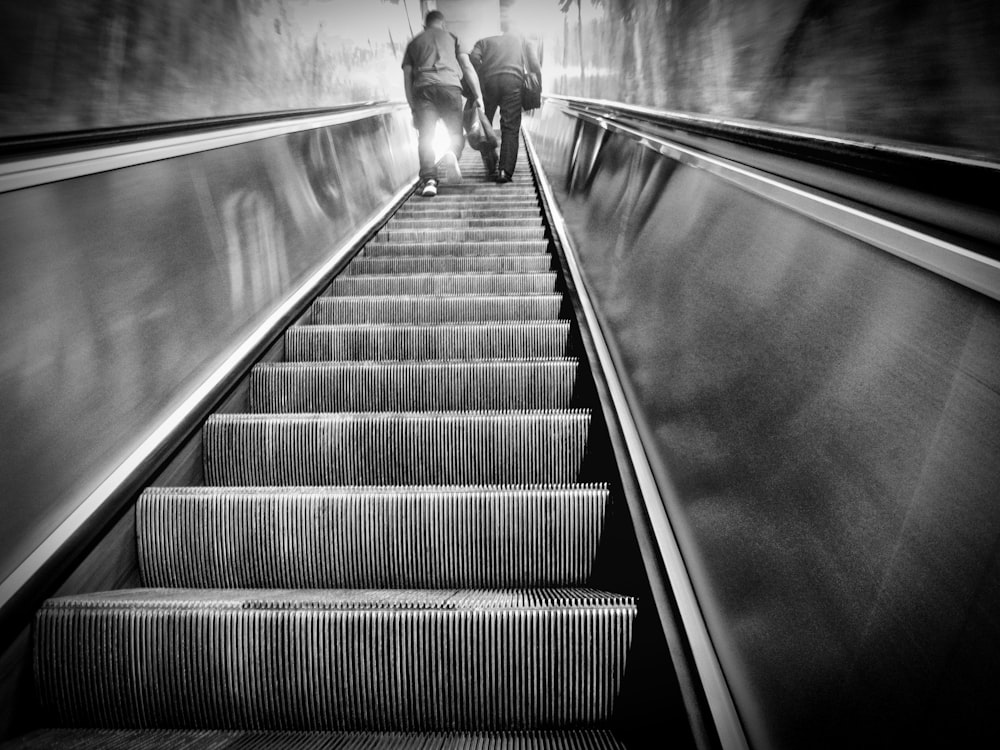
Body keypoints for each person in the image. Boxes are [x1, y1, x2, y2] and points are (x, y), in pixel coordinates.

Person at [401, 10, 484, 197]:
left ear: (425, 26)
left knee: (426, 136)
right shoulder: (452, 38)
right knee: (455, 132)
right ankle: (453, 153)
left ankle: (430, 180)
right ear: (443, 24)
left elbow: (407, 77)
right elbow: (467, 66)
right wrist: (478, 95)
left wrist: (412, 106)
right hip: (450, 86)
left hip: (424, 89)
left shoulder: (414, 43)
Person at [470, 20, 541, 183]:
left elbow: (473, 57)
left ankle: (489, 160)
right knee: (510, 126)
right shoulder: (523, 42)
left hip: (489, 82)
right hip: (512, 82)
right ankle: (504, 171)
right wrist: (537, 90)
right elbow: (535, 65)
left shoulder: (485, 42)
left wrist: (483, 71)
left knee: (484, 123)